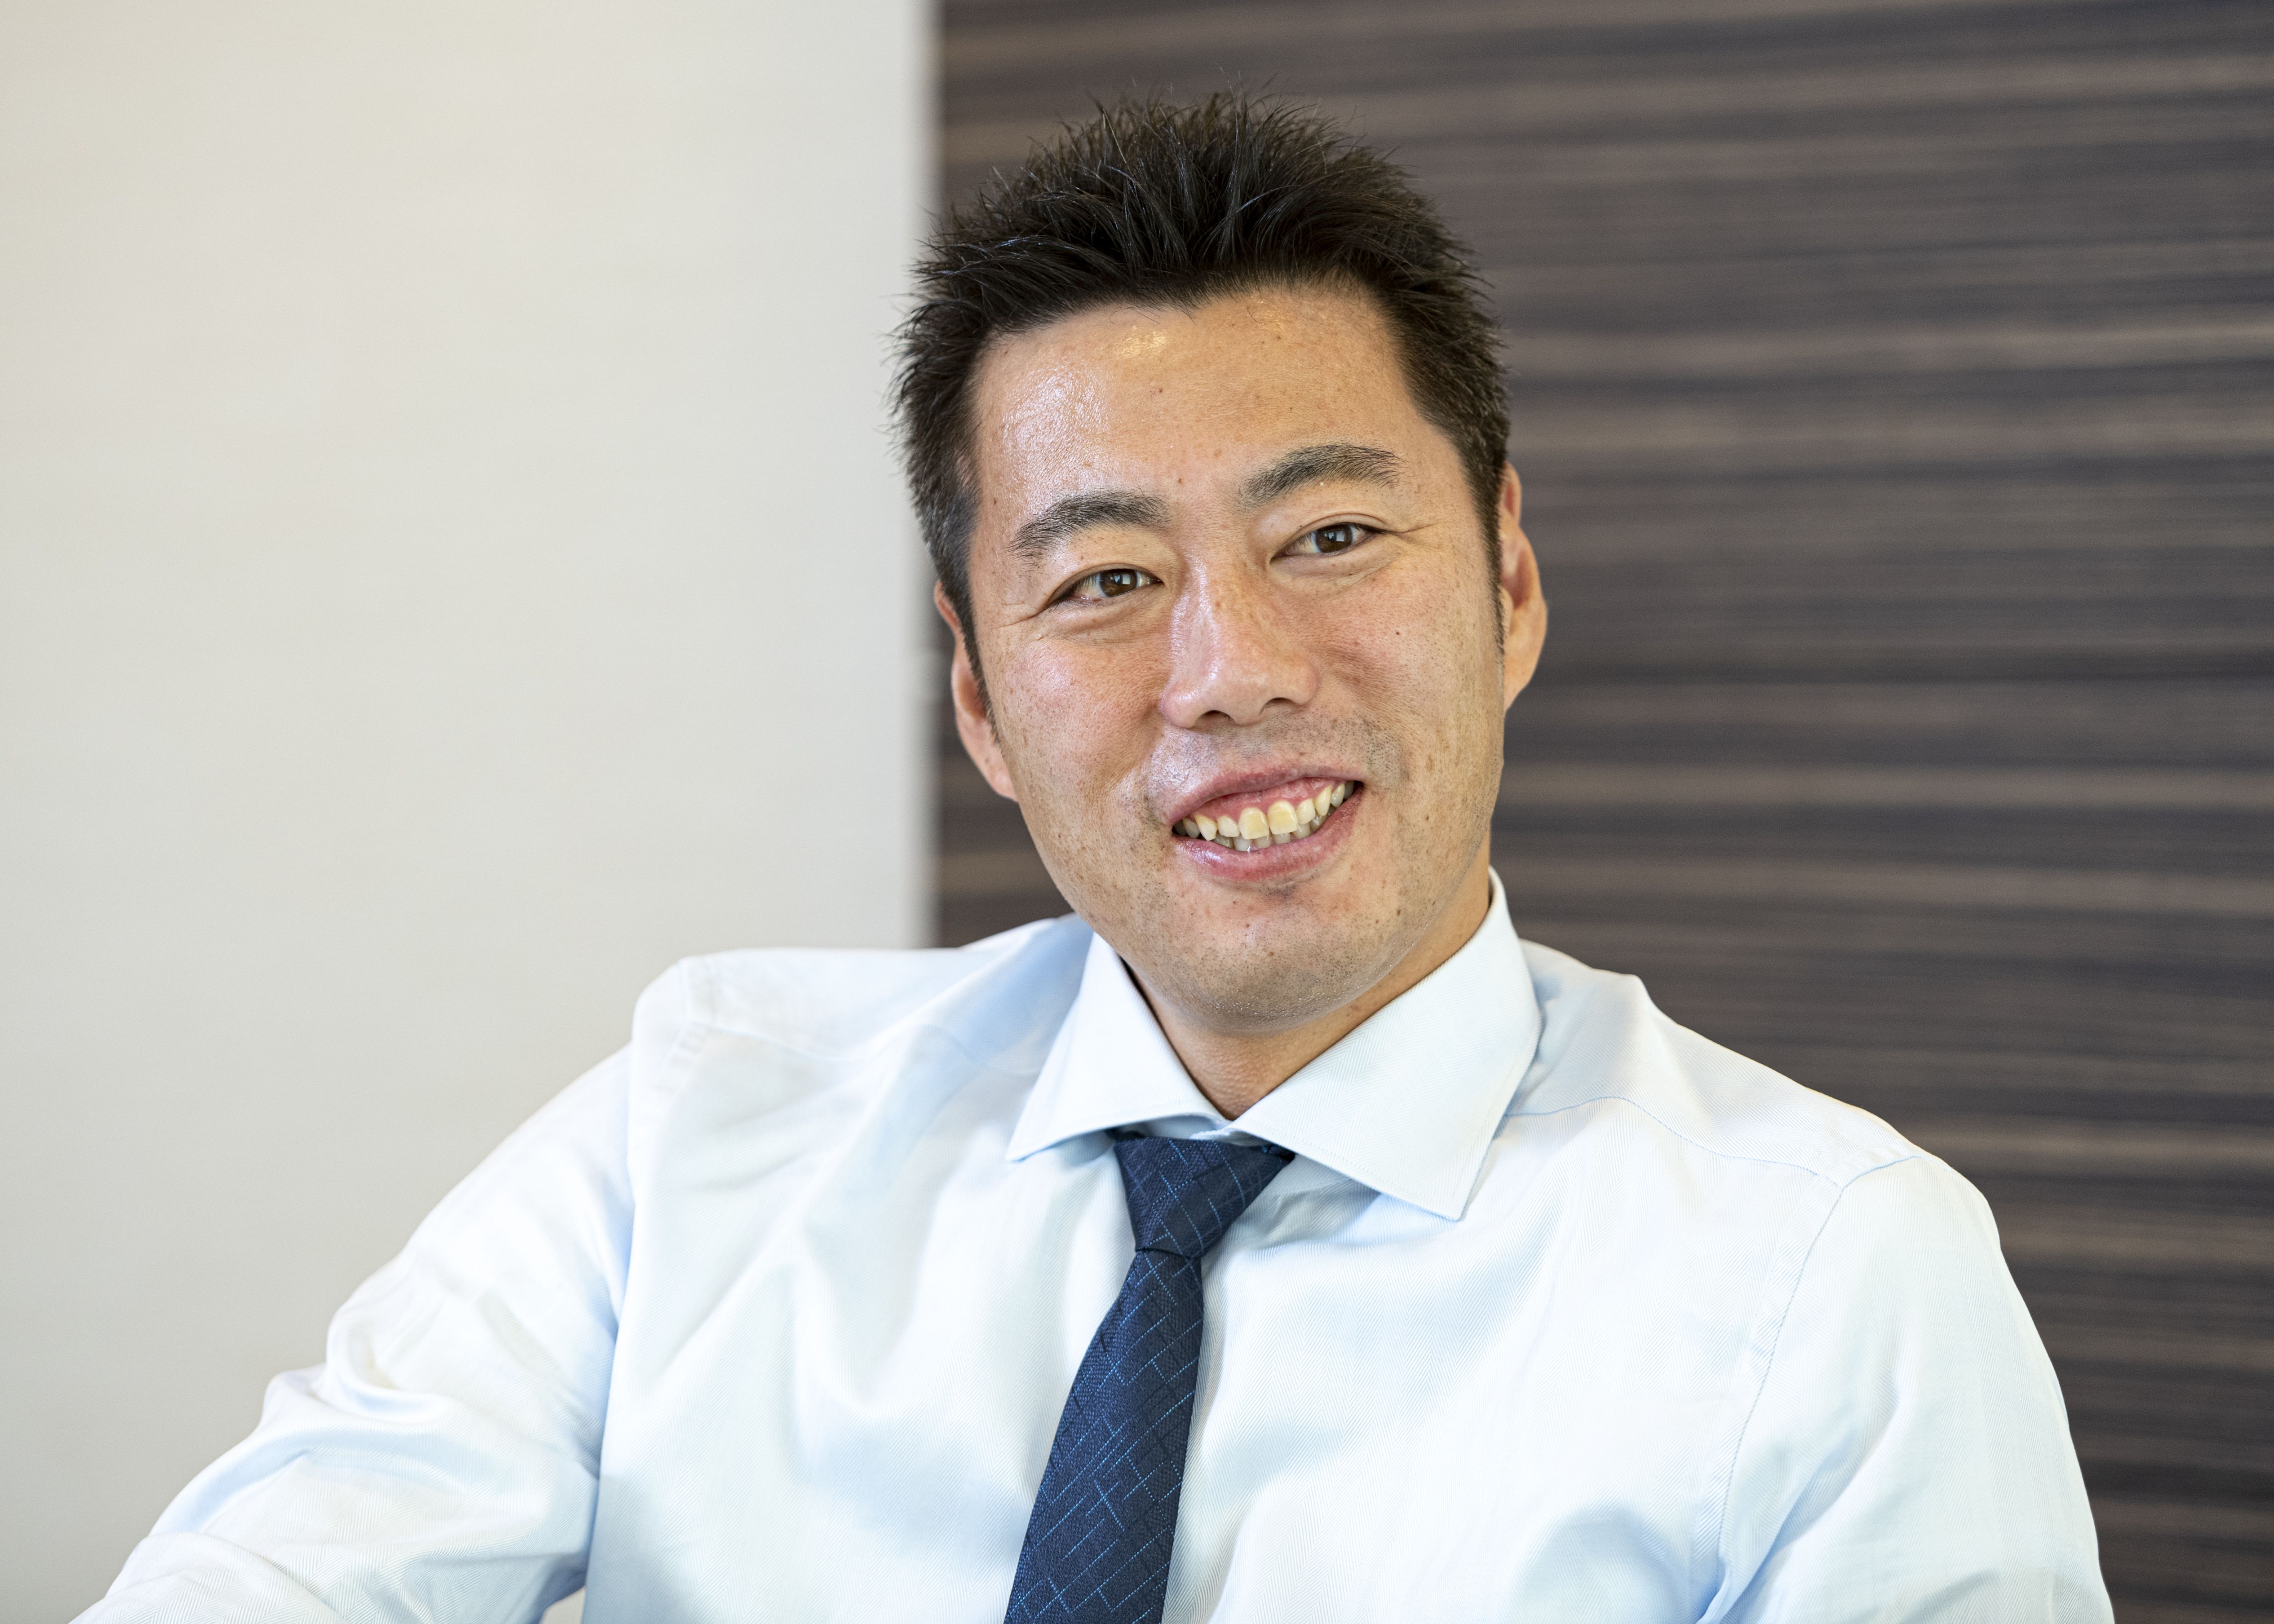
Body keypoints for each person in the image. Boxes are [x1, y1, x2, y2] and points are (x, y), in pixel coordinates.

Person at [83, 95, 2110, 1624]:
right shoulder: (698, 1128)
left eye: (1330, 536)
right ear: (978, 695)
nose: (1230, 670)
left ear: (1505, 583)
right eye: (1105, 578)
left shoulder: (1832, 1276)